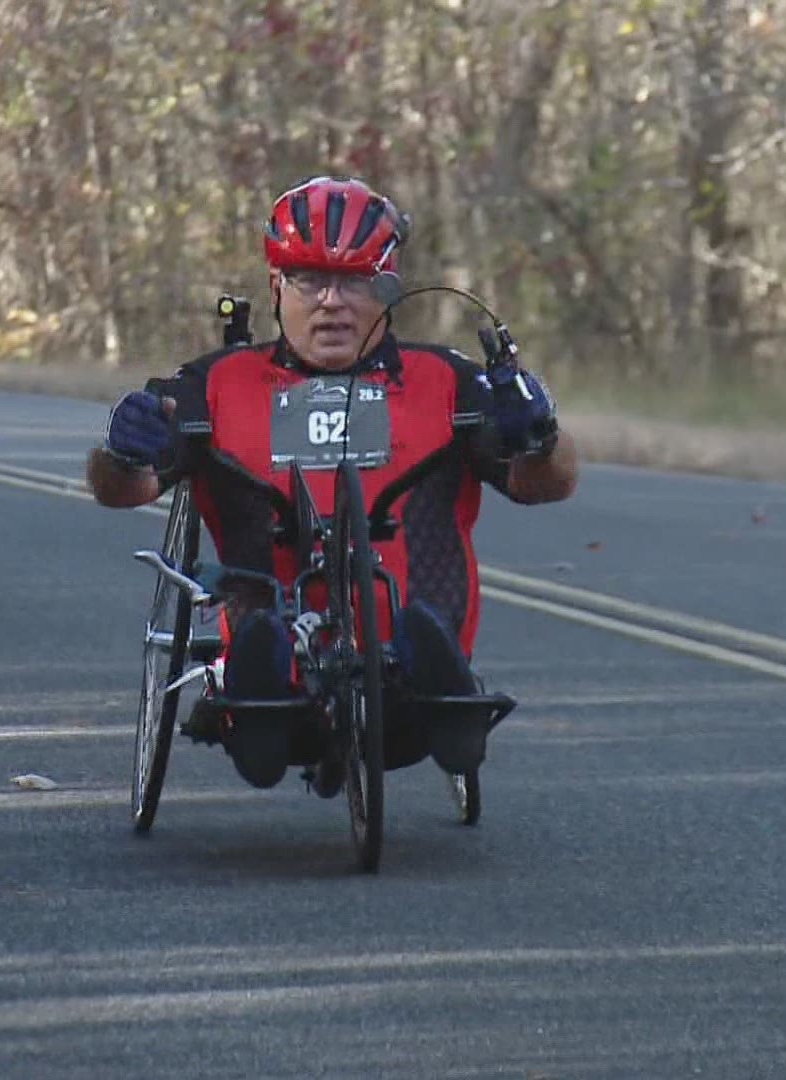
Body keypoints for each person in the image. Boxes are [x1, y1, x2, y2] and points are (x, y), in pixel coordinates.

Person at [85, 175, 577, 789]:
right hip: (273, 676)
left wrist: (542, 437)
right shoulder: (215, 384)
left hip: (412, 670)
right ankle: (260, 671)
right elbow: (120, 490)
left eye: (354, 281)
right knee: (265, 692)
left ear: (389, 287)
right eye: (309, 279)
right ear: (275, 284)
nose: (331, 301)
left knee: (422, 650)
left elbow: (545, 485)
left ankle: (439, 677)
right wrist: (121, 452)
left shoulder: (448, 380)